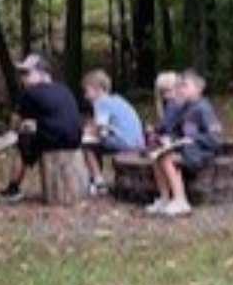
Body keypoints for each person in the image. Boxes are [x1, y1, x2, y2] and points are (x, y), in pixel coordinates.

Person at [0, 54, 84, 204]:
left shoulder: (30, 94)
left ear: (43, 74)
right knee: (33, 136)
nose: (23, 78)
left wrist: (10, 136)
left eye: (27, 73)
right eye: (22, 74)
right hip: (76, 138)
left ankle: (13, 188)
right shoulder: (64, 89)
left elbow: (16, 122)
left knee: (22, 143)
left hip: (55, 138)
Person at [148, 69, 224, 219]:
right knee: (157, 156)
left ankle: (181, 200)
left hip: (201, 153)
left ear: (198, 89)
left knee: (168, 158)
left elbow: (215, 138)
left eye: (185, 86)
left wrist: (194, 139)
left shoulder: (204, 109)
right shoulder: (184, 109)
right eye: (180, 86)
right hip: (187, 149)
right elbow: (177, 131)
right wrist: (169, 139)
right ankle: (165, 198)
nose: (180, 89)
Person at [82, 69, 144, 197]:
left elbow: (101, 129)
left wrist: (87, 133)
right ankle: (95, 177)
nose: (85, 96)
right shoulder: (117, 100)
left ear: (97, 89)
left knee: (87, 145)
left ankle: (99, 182)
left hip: (125, 142)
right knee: (96, 144)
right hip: (138, 141)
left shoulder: (101, 102)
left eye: (87, 91)